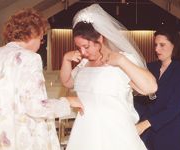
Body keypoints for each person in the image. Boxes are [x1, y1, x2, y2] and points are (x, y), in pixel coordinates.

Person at [60, 4, 157, 150]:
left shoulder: (121, 59)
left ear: (100, 38)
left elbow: (150, 88)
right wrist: (66, 60)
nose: (82, 52)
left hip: (115, 133)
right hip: (85, 132)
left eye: (86, 46)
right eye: (78, 47)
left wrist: (121, 61)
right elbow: (67, 82)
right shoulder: (84, 64)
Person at [0, 8, 83, 150]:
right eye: (41, 38)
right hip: (24, 135)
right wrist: (67, 102)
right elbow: (36, 107)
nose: (40, 43)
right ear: (33, 33)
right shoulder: (30, 58)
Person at [135, 27, 180, 150]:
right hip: (147, 134)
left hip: (171, 134)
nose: (156, 49)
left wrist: (145, 124)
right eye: (155, 45)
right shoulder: (149, 67)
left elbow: (175, 108)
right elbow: (141, 100)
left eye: (162, 45)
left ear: (174, 45)